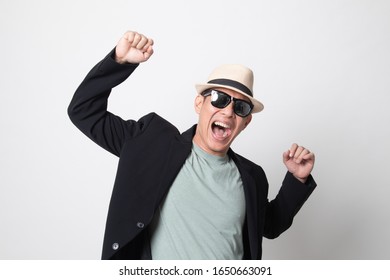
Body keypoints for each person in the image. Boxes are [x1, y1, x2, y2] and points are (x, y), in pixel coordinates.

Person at [68, 30, 316, 260]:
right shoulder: (153, 145)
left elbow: (270, 226)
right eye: (219, 99)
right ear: (199, 104)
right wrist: (119, 62)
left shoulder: (252, 177)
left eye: (240, 107)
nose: (228, 111)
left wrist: (298, 180)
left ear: (245, 122)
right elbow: (83, 111)